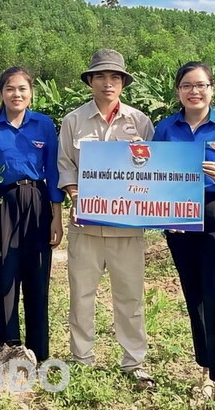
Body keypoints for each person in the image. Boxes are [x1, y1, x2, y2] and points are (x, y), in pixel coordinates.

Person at [153, 61, 215, 410]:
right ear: (178, 91)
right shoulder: (166, 128)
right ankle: (204, 370)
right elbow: (153, 174)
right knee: (194, 295)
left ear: (212, 88)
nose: (194, 91)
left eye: (201, 85)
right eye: (186, 85)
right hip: (181, 219)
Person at [57, 49, 155, 388]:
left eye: (115, 77)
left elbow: (153, 170)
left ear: (123, 83)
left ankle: (134, 362)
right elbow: (66, 164)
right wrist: (73, 193)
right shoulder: (73, 121)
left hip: (127, 228)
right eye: (100, 77)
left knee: (130, 296)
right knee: (81, 295)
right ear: (90, 82)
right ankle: (82, 359)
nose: (107, 83)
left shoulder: (139, 122)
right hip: (86, 226)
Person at [0, 66, 64, 362]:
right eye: (10, 88)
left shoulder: (44, 125)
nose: (17, 94)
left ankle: (39, 352)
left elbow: (53, 171)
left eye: (23, 89)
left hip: (37, 201)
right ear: (1, 93)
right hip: (2, 202)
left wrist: (57, 216)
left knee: (37, 275)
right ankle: (10, 348)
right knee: (5, 274)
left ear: (31, 93)